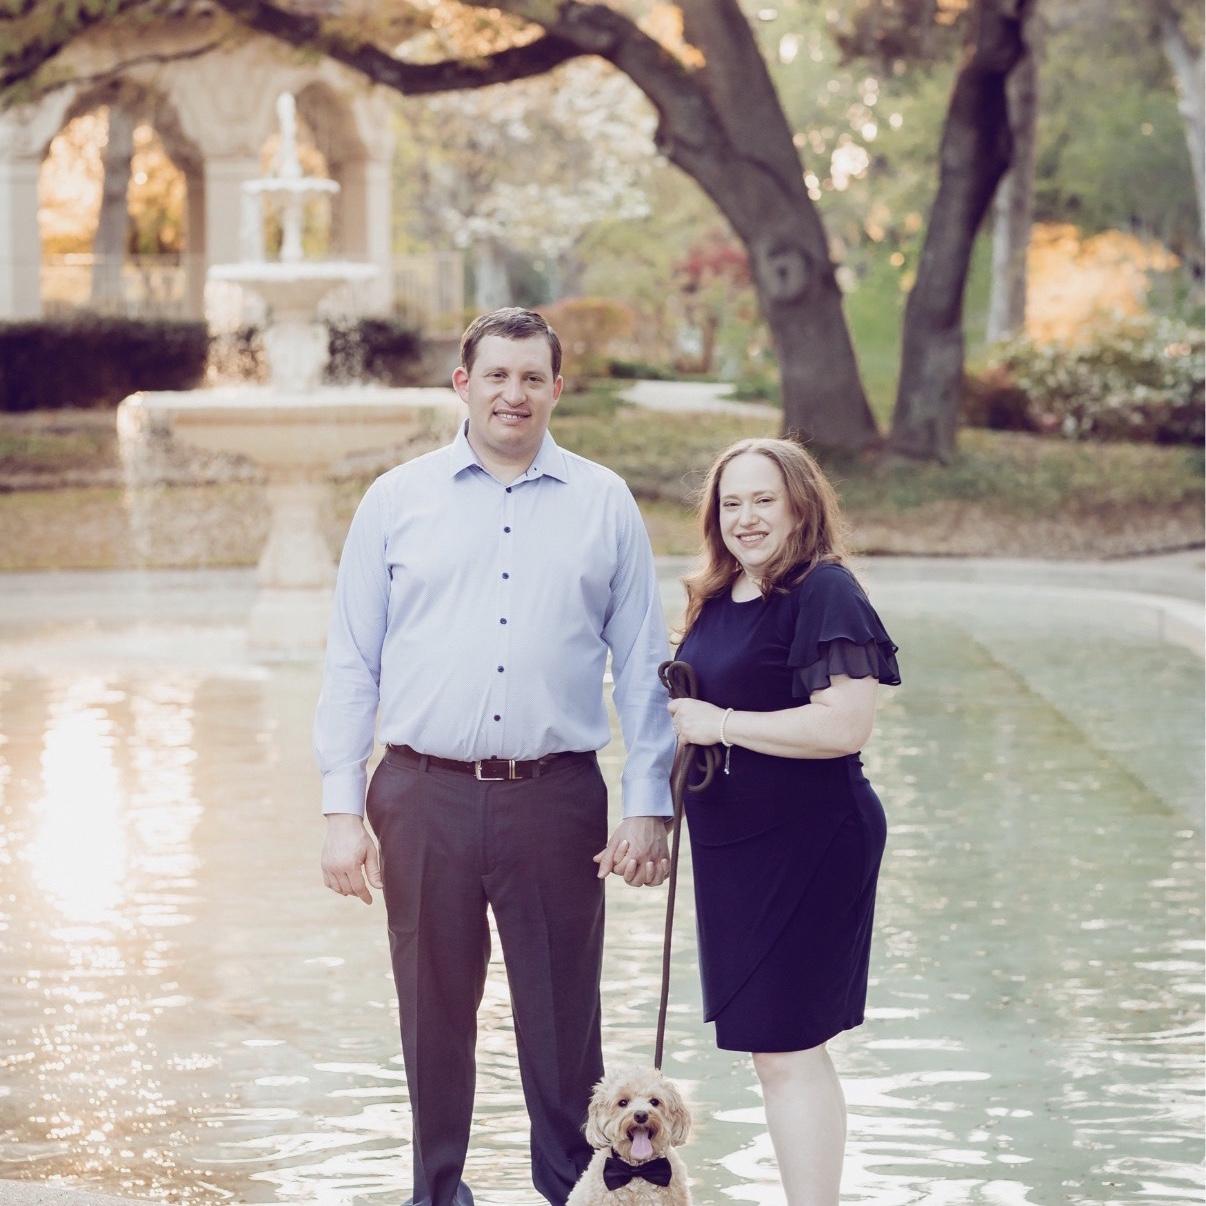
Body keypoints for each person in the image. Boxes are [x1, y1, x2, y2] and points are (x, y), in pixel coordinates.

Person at [314, 307, 677, 1206]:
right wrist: (339, 809)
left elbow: (642, 664)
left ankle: (575, 1195)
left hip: (555, 799)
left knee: (562, 1025)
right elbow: (351, 660)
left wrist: (647, 803)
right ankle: (438, 1195)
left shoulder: (604, 502)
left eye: (531, 377)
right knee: (434, 1018)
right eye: (496, 375)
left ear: (558, 387)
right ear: (462, 384)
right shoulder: (396, 500)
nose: (513, 393)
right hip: (420, 794)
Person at [667, 437, 900, 1206]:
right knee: (775, 1048)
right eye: (731, 502)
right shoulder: (717, 591)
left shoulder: (824, 591)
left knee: (790, 1046)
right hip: (736, 846)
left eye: (763, 499)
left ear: (801, 503)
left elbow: (845, 725)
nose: (746, 517)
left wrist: (721, 723)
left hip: (812, 836)